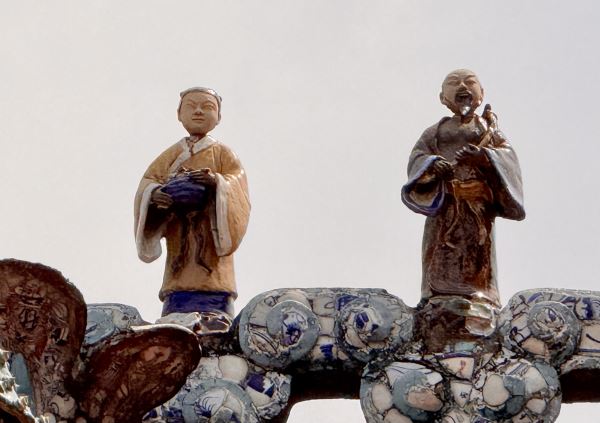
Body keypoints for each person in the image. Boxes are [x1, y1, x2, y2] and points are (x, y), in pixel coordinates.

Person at [402, 69, 524, 313]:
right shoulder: (435, 132)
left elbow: (508, 158)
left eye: (469, 82)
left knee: (477, 253)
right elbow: (417, 158)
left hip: (477, 207)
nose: (462, 86)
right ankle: (435, 297)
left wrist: (485, 157)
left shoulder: (488, 130)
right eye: (454, 82)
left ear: (481, 94)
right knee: (441, 251)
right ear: (442, 97)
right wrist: (433, 165)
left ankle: (482, 298)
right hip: (445, 205)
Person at [134, 87, 250, 322]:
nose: (198, 111)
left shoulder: (223, 153)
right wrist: (155, 194)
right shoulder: (171, 155)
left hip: (211, 237)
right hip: (179, 237)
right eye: (191, 106)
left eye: (207, 107)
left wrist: (216, 183)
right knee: (179, 286)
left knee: (214, 292)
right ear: (179, 114)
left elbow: (237, 184)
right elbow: (147, 183)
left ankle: (216, 312)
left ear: (218, 116)